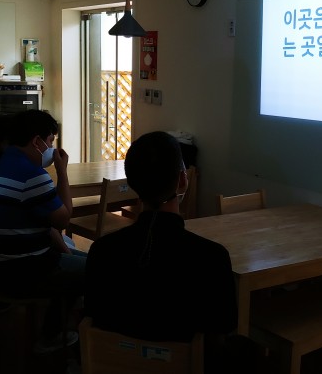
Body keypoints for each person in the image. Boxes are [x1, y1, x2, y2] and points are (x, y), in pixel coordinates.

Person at [84, 131, 255, 373]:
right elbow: (222, 328)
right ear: (182, 181)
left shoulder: (101, 251)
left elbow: (94, 314)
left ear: (132, 184)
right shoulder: (211, 258)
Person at [0, 110, 85, 353]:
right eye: (51, 142)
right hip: (23, 272)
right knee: (97, 270)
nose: (52, 149)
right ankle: (52, 336)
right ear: (37, 141)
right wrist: (62, 171)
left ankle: (66, 320)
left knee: (88, 259)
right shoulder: (32, 175)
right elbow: (63, 219)